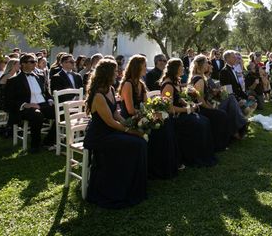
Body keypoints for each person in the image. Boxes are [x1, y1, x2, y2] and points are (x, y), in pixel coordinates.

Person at [84, 58, 148, 208]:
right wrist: (130, 131)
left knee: (140, 142)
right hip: (100, 136)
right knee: (136, 143)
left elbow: (116, 115)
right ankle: (119, 189)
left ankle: (132, 186)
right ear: (107, 74)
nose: (118, 73)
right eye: (115, 71)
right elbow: (110, 122)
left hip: (111, 132)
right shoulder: (99, 95)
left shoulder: (110, 89)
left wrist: (131, 123)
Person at [119, 55, 179, 179]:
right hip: (131, 120)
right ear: (137, 68)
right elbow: (130, 110)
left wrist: (154, 113)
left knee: (165, 123)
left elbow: (147, 104)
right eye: (144, 66)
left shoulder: (140, 83)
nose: (146, 68)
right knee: (159, 131)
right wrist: (149, 115)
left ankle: (166, 166)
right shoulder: (128, 84)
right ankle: (155, 168)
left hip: (142, 115)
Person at [159, 58, 216, 167]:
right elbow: (169, 108)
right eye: (181, 67)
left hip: (182, 113)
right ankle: (194, 157)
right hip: (174, 118)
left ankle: (204, 155)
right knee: (199, 124)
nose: (183, 69)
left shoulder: (175, 81)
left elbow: (179, 99)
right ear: (176, 69)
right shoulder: (168, 85)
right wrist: (188, 109)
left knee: (204, 121)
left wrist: (188, 104)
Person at [5, 53, 57, 153]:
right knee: (37, 115)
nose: (35, 64)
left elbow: (46, 92)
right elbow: (10, 100)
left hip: (43, 104)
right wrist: (26, 105)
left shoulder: (40, 76)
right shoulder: (14, 80)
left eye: (35, 62)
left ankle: (48, 140)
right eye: (32, 62)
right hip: (27, 107)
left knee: (61, 113)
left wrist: (50, 100)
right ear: (23, 64)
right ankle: (35, 146)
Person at [189, 55, 231, 151]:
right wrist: (210, 108)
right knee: (221, 115)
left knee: (221, 113)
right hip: (199, 108)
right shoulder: (199, 79)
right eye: (206, 63)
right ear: (201, 65)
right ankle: (219, 144)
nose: (208, 65)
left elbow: (204, 97)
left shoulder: (201, 77)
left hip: (202, 106)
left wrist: (211, 105)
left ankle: (220, 142)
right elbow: (200, 100)